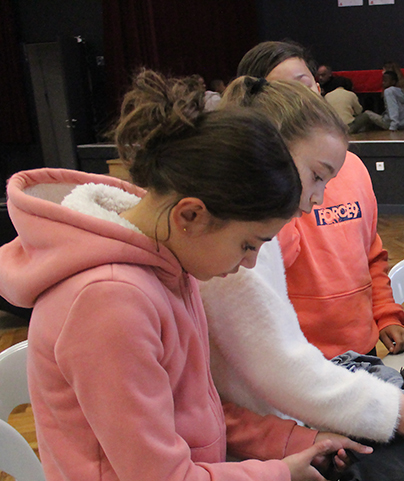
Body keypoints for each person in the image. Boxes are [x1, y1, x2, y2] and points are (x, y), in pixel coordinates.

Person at [0, 69, 370, 481]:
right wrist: (280, 473)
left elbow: (200, 417)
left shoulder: (171, 263)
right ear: (191, 214)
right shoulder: (109, 302)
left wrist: (296, 443)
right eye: (249, 244)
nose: (249, 263)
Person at [199, 42, 404, 443]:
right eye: (315, 178)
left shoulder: (348, 171)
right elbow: (266, 372)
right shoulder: (240, 241)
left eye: (307, 84)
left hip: (340, 373)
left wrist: (384, 315)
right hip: (302, 387)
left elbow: (371, 253)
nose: (317, 199)